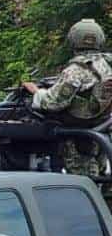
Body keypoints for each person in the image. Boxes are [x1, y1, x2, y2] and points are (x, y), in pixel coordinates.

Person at [24, 18, 112, 179]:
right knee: (100, 182)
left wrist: (36, 91)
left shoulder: (75, 70)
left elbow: (52, 103)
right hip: (101, 130)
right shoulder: (107, 64)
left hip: (78, 137)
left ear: (73, 39)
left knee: (82, 184)